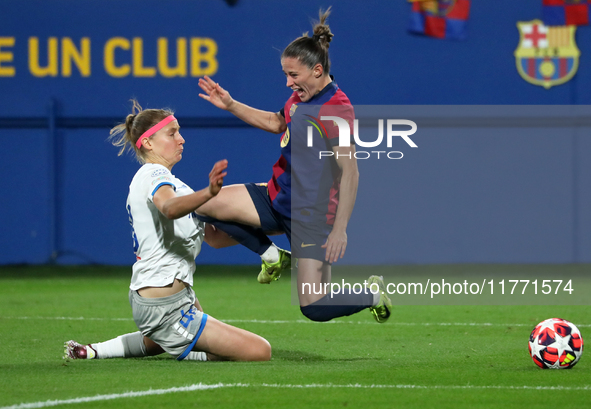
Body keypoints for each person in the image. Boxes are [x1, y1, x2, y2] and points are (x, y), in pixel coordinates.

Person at [194, 8, 392, 324]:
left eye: (293, 75)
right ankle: (271, 255)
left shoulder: (336, 109)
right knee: (202, 207)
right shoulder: (301, 97)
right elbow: (276, 122)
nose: (287, 82)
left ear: (316, 70)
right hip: (276, 197)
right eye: (285, 75)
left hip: (311, 218)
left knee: (313, 308)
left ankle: (370, 294)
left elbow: (350, 172)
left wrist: (340, 228)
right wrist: (230, 104)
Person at [64, 101, 271, 362]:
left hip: (170, 297)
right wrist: (208, 192)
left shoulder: (174, 184)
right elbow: (169, 208)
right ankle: (189, 350)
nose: (181, 139)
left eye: (179, 131)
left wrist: (274, 228)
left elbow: (215, 238)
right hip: (163, 303)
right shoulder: (153, 173)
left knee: (161, 339)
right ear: (148, 142)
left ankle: (91, 351)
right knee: (258, 351)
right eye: (172, 133)